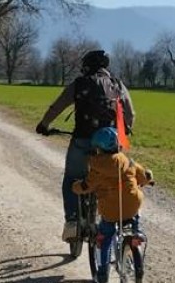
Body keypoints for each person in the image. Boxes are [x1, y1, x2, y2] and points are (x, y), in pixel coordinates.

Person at [35, 49, 134, 240]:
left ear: (86, 66)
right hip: (110, 144)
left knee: (72, 178)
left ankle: (72, 221)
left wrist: (44, 124)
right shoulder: (116, 84)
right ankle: (107, 217)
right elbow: (130, 114)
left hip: (83, 139)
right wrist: (124, 132)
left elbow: (58, 106)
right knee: (107, 177)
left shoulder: (79, 84)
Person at [72, 126, 154, 283]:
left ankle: (102, 273)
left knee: (105, 237)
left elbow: (86, 186)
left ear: (98, 148)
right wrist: (148, 180)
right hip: (131, 204)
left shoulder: (97, 168)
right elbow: (143, 176)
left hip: (109, 208)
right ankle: (136, 232)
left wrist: (75, 187)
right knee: (134, 213)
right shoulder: (128, 162)